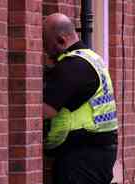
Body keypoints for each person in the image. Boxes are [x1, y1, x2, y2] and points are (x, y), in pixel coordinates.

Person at [43, 13, 118, 184]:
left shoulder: (72, 66)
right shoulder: (92, 58)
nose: (46, 53)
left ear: (62, 41)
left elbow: (43, 111)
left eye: (47, 45)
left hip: (80, 160)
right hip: (99, 154)